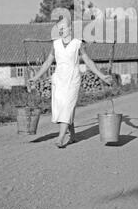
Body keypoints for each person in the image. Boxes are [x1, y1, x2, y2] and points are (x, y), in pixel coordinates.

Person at [28, 17, 112, 148]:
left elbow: (89, 62)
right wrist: (36, 77)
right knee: (63, 107)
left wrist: (102, 76)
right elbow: (47, 63)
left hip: (73, 79)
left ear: (70, 28)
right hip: (59, 79)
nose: (60, 31)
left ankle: (61, 137)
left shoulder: (78, 43)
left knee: (67, 106)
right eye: (59, 29)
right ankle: (72, 135)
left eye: (63, 28)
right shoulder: (55, 44)